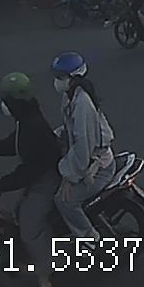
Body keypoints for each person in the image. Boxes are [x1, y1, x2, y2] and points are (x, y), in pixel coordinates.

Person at [0, 72, 63, 287]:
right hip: (42, 173)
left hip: (46, 180)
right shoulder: (28, 117)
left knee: (30, 228)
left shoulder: (31, 126)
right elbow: (17, 142)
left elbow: (28, 172)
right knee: (19, 213)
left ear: (14, 102)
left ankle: (45, 278)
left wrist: (0, 184)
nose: (4, 105)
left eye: (7, 100)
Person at [51, 51, 115, 243]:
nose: (57, 81)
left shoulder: (82, 104)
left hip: (98, 167)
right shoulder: (70, 97)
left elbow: (83, 146)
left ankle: (90, 240)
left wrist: (69, 177)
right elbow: (70, 129)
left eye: (60, 77)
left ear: (73, 77)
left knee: (64, 201)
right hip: (87, 161)